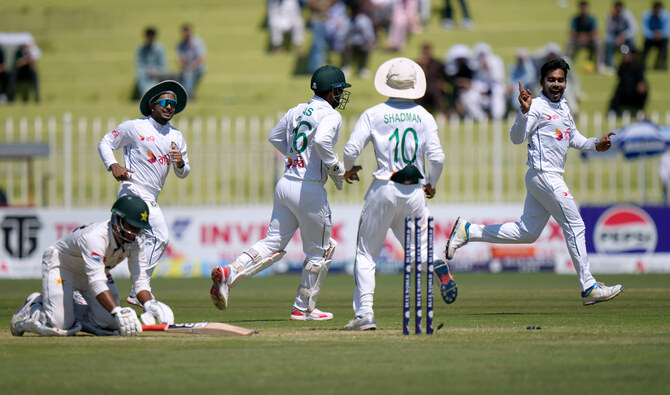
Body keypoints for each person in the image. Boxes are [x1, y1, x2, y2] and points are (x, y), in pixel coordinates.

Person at [445, 58, 624, 307]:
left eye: (560, 80)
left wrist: (597, 144)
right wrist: (524, 112)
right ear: (542, 82)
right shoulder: (536, 106)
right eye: (551, 80)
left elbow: (574, 139)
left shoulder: (563, 107)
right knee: (576, 225)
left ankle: (469, 231)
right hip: (543, 175)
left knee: (527, 233)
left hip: (545, 177)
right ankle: (589, 286)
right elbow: (516, 138)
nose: (556, 84)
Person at [210, 65, 351, 321]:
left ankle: (229, 273)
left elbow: (275, 137)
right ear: (331, 92)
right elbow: (321, 142)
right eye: (339, 90)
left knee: (273, 242)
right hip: (309, 189)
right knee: (321, 250)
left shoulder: (296, 110)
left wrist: (296, 157)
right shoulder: (331, 115)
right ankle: (303, 308)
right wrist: (337, 170)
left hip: (285, 183)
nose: (340, 96)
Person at [341, 57, 454, 331]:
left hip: (384, 187)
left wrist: (348, 169)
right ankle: (435, 263)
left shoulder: (373, 114)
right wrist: (431, 183)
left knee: (367, 254)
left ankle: (365, 314)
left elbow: (350, 150)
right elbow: (437, 158)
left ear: (388, 83)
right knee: (418, 253)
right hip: (414, 191)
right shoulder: (425, 116)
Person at [10, 195, 174, 337]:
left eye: (138, 228)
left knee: (109, 323)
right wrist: (118, 311)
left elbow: (140, 281)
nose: (135, 233)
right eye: (131, 226)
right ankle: (33, 308)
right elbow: (96, 281)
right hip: (61, 267)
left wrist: (149, 304)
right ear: (118, 220)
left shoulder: (135, 243)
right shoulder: (94, 237)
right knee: (60, 325)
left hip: (92, 273)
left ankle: (67, 308)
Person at [98, 80, 190, 306]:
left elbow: (184, 172)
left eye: (174, 104)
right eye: (165, 103)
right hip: (133, 189)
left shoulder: (176, 136)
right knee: (160, 236)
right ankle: (139, 290)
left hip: (151, 194)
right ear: (152, 106)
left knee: (121, 245)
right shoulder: (135, 127)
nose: (170, 107)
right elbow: (105, 142)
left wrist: (180, 164)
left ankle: (90, 280)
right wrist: (113, 166)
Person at [341, 0, 377, 79]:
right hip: (351, 44)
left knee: (367, 47)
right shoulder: (347, 19)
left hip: (362, 44)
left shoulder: (364, 20)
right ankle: (346, 67)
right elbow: (343, 34)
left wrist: (370, 43)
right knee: (346, 45)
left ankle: (363, 69)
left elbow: (369, 35)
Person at [565, 1, 603, 72]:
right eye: (581, 8)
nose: (583, 10)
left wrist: (586, 37)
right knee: (569, 41)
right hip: (578, 40)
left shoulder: (592, 19)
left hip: (589, 41)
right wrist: (580, 36)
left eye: (584, 8)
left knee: (597, 41)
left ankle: (599, 65)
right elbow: (571, 32)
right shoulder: (575, 19)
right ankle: (566, 64)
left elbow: (595, 32)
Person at [608, 49, 648, 116]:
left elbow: (641, 80)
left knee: (643, 89)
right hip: (624, 90)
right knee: (618, 91)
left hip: (635, 90)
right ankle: (613, 111)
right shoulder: (622, 66)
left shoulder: (638, 66)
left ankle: (640, 110)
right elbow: (619, 77)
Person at [416, 42, 449, 117]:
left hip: (434, 86)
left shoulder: (437, 63)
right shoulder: (418, 64)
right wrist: (423, 66)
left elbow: (445, 75)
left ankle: (442, 112)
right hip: (422, 86)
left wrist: (443, 82)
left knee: (435, 89)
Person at [603, 1, 637, 70]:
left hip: (626, 38)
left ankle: (630, 63)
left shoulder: (628, 15)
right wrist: (612, 19)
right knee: (607, 40)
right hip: (615, 38)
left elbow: (633, 29)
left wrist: (624, 36)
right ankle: (610, 65)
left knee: (632, 41)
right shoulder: (611, 15)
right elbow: (609, 31)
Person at [136, 27, 169, 96]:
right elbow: (140, 65)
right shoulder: (141, 49)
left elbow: (163, 66)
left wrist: (153, 72)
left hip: (157, 74)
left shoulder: (160, 49)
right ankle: (144, 94)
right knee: (140, 75)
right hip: (145, 75)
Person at [177, 24, 206, 98]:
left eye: (187, 31)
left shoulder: (197, 42)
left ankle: (188, 94)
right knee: (187, 74)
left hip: (197, 66)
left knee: (190, 74)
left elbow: (201, 58)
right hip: (187, 67)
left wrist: (192, 66)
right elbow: (180, 59)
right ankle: (188, 94)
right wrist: (186, 66)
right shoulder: (181, 45)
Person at [506, 48, 537, 115]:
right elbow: (511, 80)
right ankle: (516, 110)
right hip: (516, 88)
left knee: (518, 90)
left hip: (527, 88)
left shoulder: (530, 68)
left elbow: (530, 79)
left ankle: (518, 111)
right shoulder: (513, 68)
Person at [641, 1, 669, 70]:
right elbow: (645, 30)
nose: (657, 11)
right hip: (650, 39)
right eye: (655, 9)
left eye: (658, 9)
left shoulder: (666, 16)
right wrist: (653, 34)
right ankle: (643, 63)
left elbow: (666, 30)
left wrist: (660, 34)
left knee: (665, 42)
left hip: (661, 39)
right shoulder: (646, 16)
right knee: (645, 43)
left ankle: (664, 63)